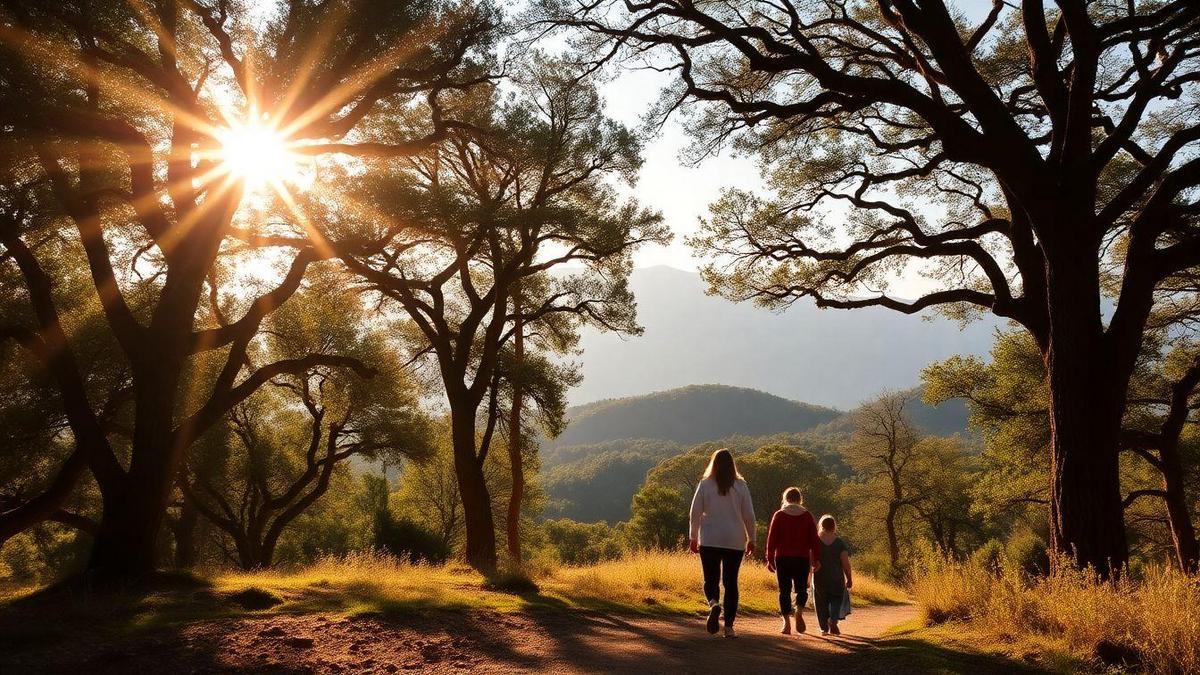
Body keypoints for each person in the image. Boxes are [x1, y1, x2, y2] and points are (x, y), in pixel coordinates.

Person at [688, 448, 755, 638]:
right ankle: (729, 627)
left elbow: (694, 513)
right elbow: (749, 515)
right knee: (731, 582)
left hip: (709, 538)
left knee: (711, 579)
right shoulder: (741, 486)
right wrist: (752, 539)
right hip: (735, 539)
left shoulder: (705, 484)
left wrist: (693, 537)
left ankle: (714, 604)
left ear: (714, 464)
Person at [764, 487, 821, 635]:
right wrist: (816, 558)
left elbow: (772, 540)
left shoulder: (779, 515)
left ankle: (786, 624)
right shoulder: (807, 516)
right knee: (802, 589)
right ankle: (799, 610)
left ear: (785, 499)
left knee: (784, 591)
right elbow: (814, 540)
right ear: (800, 499)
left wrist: (769, 558)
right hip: (802, 558)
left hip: (782, 558)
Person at [812, 514, 852, 635]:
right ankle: (833, 620)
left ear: (821, 526)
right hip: (836, 578)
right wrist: (849, 578)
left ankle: (824, 628)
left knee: (820, 602)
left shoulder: (816, 542)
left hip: (819, 577)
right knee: (836, 599)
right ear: (834, 527)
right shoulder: (840, 543)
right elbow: (845, 562)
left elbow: (811, 560)